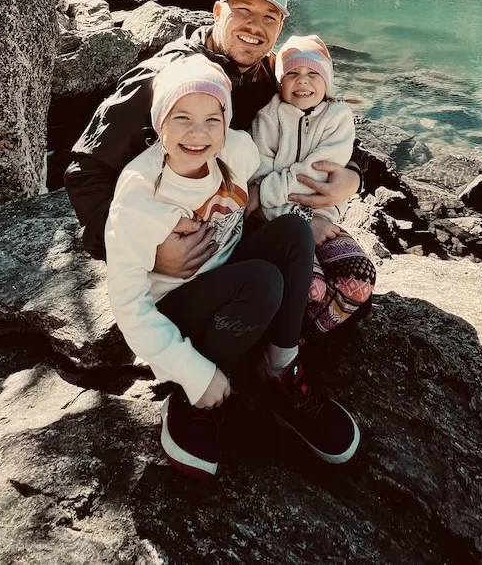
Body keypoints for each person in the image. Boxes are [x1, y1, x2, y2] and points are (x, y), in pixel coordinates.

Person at [105, 54, 360, 480]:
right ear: (159, 124)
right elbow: (128, 304)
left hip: (229, 275)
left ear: (226, 122)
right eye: (181, 117)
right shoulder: (139, 195)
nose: (198, 133)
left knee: (293, 233)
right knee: (262, 283)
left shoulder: (237, 150)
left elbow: (289, 171)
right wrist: (192, 373)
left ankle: (279, 369)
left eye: (212, 118)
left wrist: (352, 175)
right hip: (178, 302)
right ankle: (197, 396)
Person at [65, 0, 363, 272]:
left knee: (352, 284)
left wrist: (352, 175)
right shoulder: (164, 79)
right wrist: (144, 249)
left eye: (269, 17)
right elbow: (85, 171)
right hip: (177, 237)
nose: (254, 25)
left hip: (243, 221)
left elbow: (326, 118)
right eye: (243, 10)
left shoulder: (269, 77)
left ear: (280, 27)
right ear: (217, 12)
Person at [251, 35, 376, 339]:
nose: (302, 81)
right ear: (280, 82)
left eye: (313, 74)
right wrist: (300, 220)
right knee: (313, 286)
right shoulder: (266, 118)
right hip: (277, 223)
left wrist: (317, 218)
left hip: (322, 218)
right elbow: (257, 174)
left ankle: (307, 335)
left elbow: (321, 174)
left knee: (360, 279)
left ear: (327, 80)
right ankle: (284, 340)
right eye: (292, 73)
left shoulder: (338, 117)